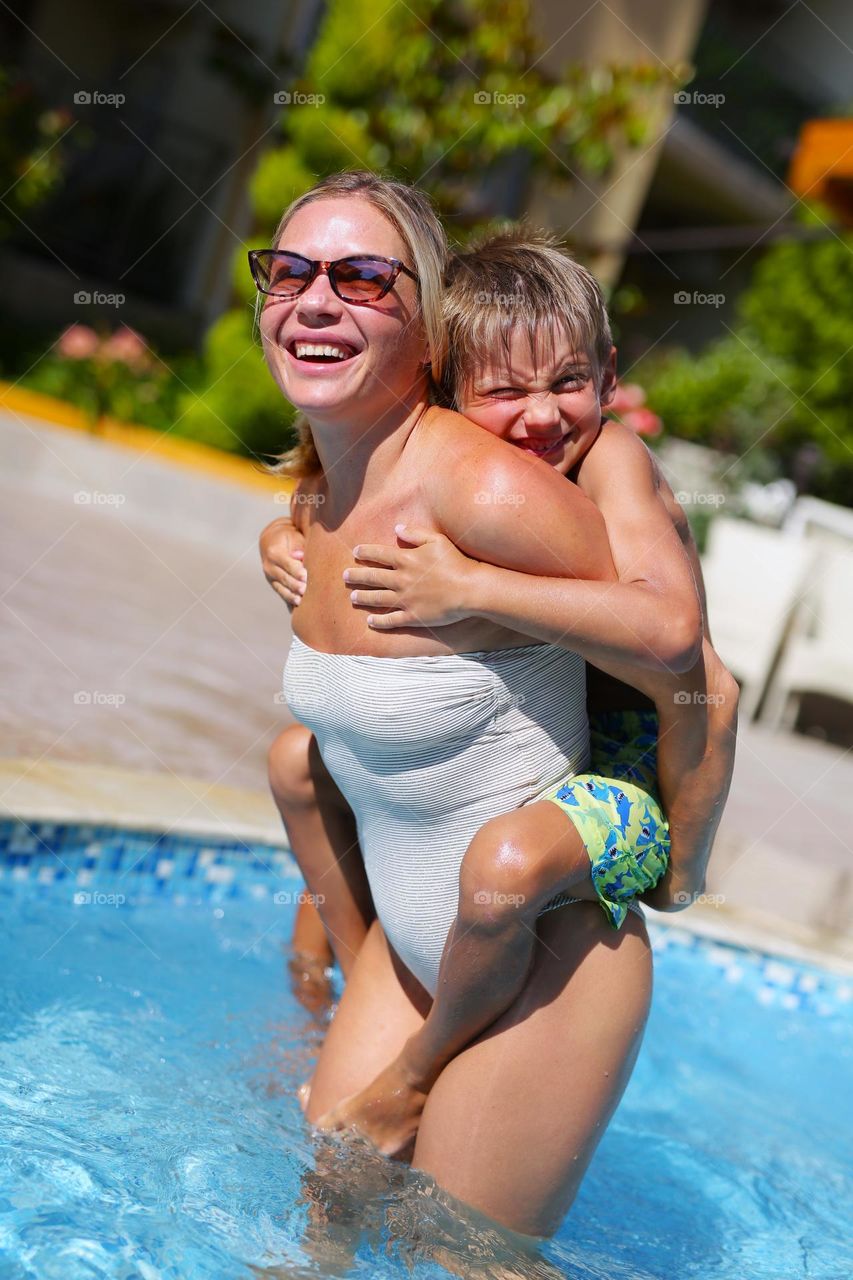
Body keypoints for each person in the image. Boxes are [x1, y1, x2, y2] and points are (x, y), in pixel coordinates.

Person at [253, 169, 715, 1238]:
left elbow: (679, 645)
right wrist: (278, 535)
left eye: (364, 277)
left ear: (424, 337)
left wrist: (687, 845)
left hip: (549, 946)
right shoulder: (323, 494)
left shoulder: (494, 490)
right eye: (291, 271)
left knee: (465, 1259)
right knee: (317, 1224)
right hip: (420, 953)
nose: (317, 298)